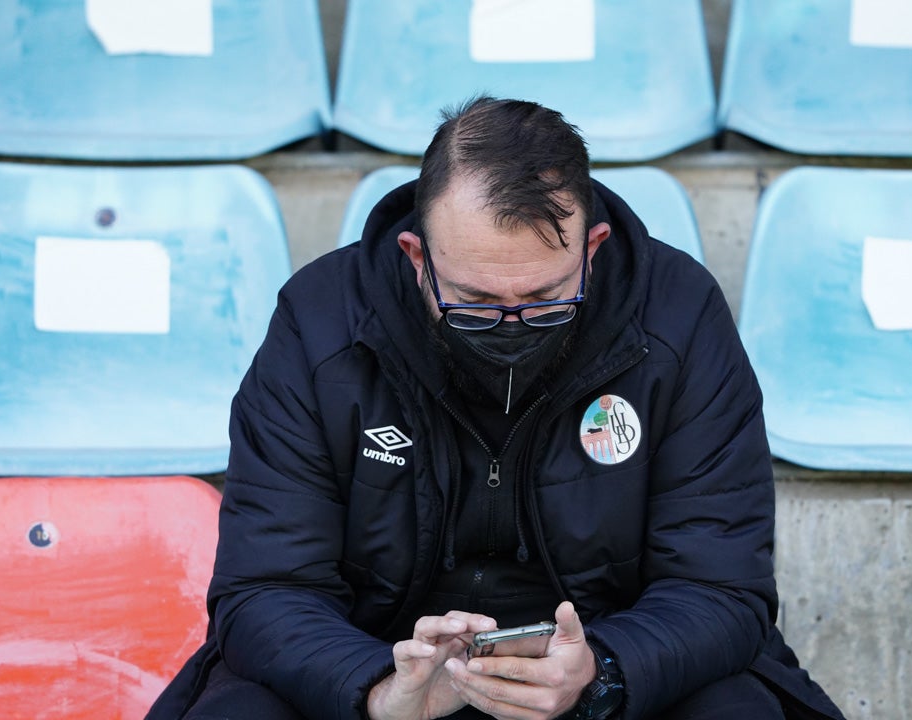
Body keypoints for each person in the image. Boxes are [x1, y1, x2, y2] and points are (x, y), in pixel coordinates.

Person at [148, 96, 844, 720]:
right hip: (380, 662)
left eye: (544, 300)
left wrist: (601, 670)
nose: (511, 329)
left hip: (608, 673)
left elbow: (722, 587)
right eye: (476, 304)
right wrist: (374, 690)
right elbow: (264, 588)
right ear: (416, 255)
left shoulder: (679, 317)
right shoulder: (321, 322)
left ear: (592, 249)